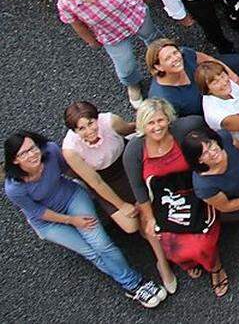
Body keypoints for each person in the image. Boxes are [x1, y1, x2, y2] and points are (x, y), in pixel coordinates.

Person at [5, 131, 167, 307]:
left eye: (33, 148)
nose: (32, 154)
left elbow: (71, 171)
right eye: (24, 153)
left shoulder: (50, 152)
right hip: (46, 221)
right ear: (15, 160)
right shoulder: (14, 188)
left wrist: (98, 189)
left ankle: (133, 284)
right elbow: (38, 212)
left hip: (72, 198)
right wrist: (72, 220)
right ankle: (134, 283)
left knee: (101, 245)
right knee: (91, 253)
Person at [60, 102, 176, 293]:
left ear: (97, 119)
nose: (90, 130)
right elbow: (96, 182)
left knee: (145, 213)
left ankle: (161, 262)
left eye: (91, 123)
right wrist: (121, 205)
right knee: (130, 225)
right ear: (74, 130)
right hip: (104, 181)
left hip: (126, 164)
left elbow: (130, 128)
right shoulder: (70, 150)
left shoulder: (110, 121)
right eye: (82, 128)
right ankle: (152, 234)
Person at [122, 101, 226, 297]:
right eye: (150, 123)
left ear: (168, 119)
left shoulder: (184, 129)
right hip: (165, 202)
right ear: (142, 125)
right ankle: (188, 262)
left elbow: (209, 131)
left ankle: (215, 267)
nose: (157, 126)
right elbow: (138, 188)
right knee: (171, 246)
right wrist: (150, 218)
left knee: (201, 244)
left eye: (160, 120)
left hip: (194, 194)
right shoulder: (134, 151)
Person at [55, 0, 161, 107]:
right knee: (125, 66)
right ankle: (133, 84)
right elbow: (77, 25)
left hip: (135, 15)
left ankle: (161, 66)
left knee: (154, 40)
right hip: (110, 34)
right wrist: (91, 41)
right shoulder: (65, 5)